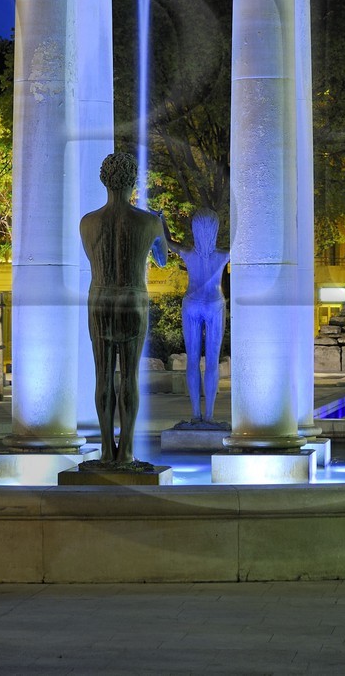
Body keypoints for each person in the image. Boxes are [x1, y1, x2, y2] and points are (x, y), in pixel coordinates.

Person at [78, 152, 168, 467]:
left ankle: (105, 449)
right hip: (132, 300)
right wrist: (161, 228)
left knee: (102, 375)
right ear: (132, 182)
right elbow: (162, 260)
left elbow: (92, 257)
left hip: (99, 298)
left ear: (104, 180)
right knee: (128, 376)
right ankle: (126, 450)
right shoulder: (149, 221)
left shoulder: (88, 222)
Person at [164, 209, 229, 425]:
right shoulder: (222, 255)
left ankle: (195, 414)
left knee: (192, 360)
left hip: (191, 303)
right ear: (215, 230)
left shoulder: (188, 253)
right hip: (214, 304)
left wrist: (161, 220)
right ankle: (209, 416)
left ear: (194, 230)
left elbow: (167, 241)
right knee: (212, 361)